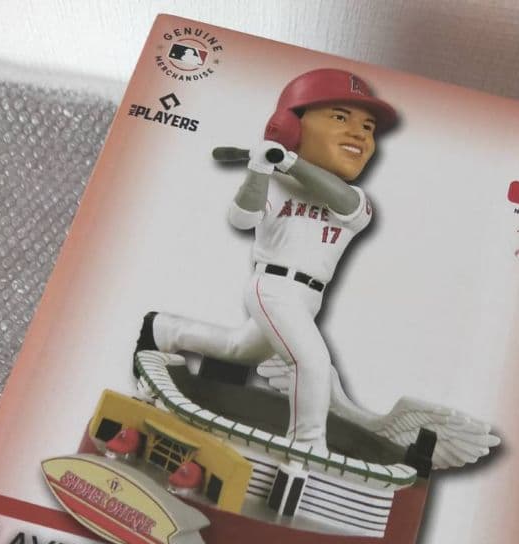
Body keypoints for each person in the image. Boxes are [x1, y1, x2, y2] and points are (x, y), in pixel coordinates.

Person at [136, 68, 398, 454]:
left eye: (368, 127)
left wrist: (289, 162)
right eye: (341, 118)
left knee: (239, 349)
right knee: (312, 362)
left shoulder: (356, 199)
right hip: (273, 286)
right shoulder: (274, 184)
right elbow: (242, 218)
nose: (360, 134)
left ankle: (166, 331)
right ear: (289, 128)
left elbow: (342, 202)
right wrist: (260, 170)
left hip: (309, 297)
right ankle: (306, 444)